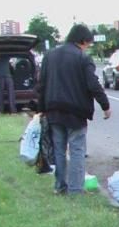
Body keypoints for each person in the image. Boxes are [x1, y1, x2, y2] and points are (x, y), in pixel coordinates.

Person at [37, 24, 111, 195]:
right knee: (77, 149)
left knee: (59, 150)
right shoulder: (82, 58)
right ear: (83, 41)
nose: (87, 48)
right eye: (88, 44)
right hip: (76, 112)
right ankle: (76, 189)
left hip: (53, 110)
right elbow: (93, 84)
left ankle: (60, 186)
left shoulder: (49, 56)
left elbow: (41, 84)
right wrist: (105, 105)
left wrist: (41, 109)